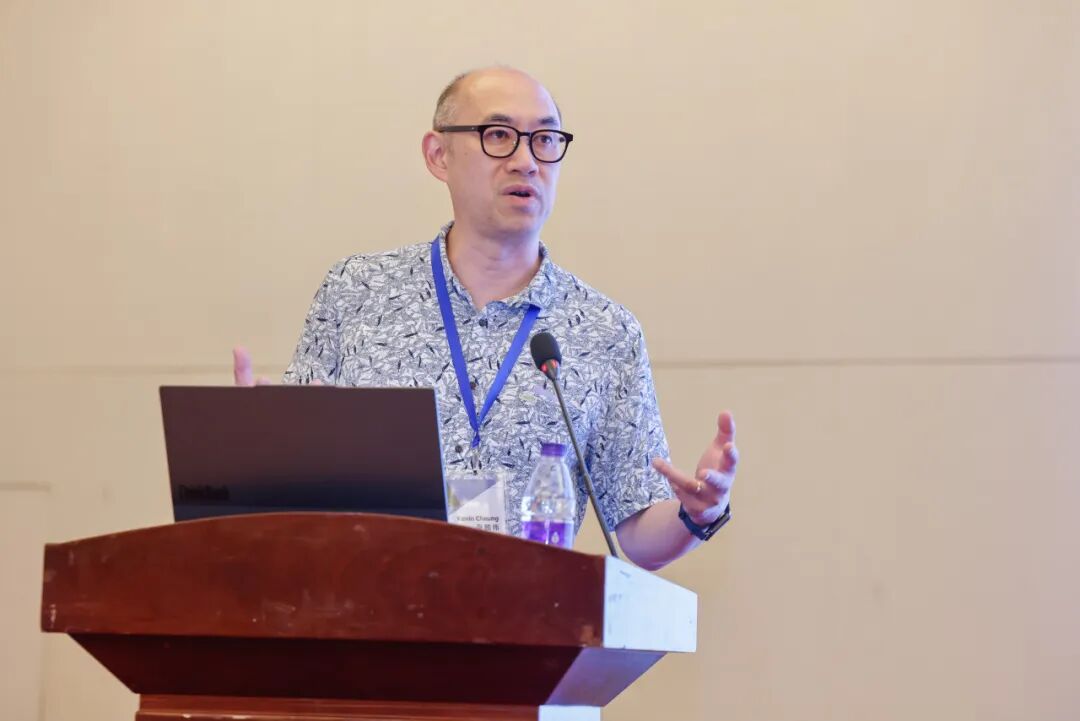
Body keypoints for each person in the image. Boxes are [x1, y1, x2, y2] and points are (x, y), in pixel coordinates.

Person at [232, 67, 738, 570]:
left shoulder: (606, 330)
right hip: (369, 605)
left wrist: (698, 513)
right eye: (498, 135)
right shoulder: (356, 292)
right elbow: (297, 491)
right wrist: (262, 450)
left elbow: (637, 533)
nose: (526, 161)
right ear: (438, 155)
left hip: (527, 614)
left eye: (544, 140)